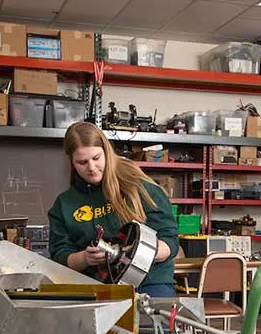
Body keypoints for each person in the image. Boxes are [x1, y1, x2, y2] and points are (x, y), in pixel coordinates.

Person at [48, 121, 179, 297]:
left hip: (150, 282)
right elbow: (60, 256)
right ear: (71, 161)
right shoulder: (64, 205)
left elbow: (170, 241)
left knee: (150, 322)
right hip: (97, 286)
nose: (92, 168)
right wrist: (85, 258)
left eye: (96, 158)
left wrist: (138, 253)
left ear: (106, 152)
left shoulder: (139, 187)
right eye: (82, 162)